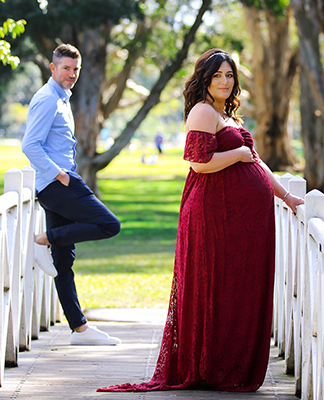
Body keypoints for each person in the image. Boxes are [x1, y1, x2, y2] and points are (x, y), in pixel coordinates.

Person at [97, 49, 304, 392]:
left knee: (237, 288)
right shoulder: (203, 111)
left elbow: (257, 163)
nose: (225, 81)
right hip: (212, 215)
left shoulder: (229, 115)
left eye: (229, 75)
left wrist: (285, 196)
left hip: (242, 220)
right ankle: (210, 366)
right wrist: (237, 154)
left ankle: (230, 363)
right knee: (214, 285)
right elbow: (199, 162)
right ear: (204, 80)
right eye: (217, 76)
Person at [22, 44, 121, 346]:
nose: (71, 74)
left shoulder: (61, 99)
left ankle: (79, 329)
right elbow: (30, 145)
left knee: (63, 262)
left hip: (57, 184)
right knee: (109, 224)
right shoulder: (47, 100)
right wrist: (60, 174)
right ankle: (46, 238)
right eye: (65, 68)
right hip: (58, 184)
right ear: (52, 68)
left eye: (75, 69)